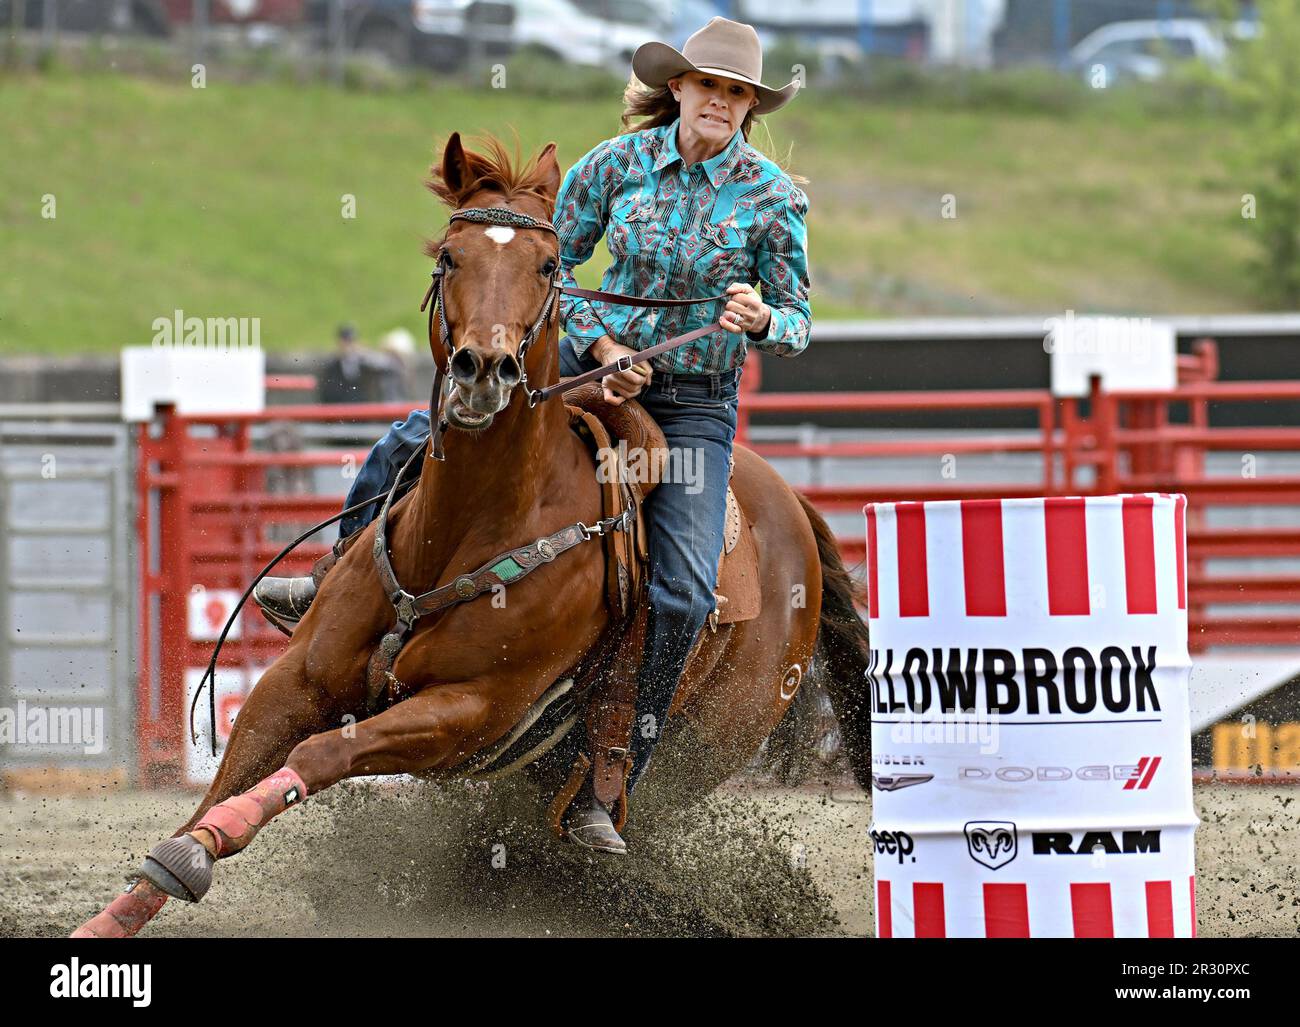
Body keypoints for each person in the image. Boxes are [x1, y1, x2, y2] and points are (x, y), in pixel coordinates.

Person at [255, 16, 812, 853]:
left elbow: (801, 319)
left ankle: (610, 772)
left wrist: (765, 316)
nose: (721, 105)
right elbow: (549, 266)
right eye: (709, 88)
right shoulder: (613, 168)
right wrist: (602, 345)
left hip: (694, 404)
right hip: (588, 373)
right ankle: (335, 577)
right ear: (679, 91)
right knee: (410, 438)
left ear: (748, 109)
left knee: (688, 588)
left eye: (737, 95)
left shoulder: (775, 198)